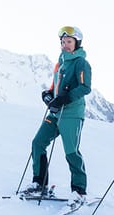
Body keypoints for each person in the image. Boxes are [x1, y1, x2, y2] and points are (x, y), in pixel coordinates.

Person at [23, 25, 92, 202]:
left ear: (77, 43)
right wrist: (48, 94)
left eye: (69, 41)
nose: (65, 45)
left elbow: (85, 87)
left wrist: (64, 99)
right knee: (38, 143)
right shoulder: (60, 63)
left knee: (71, 151)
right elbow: (56, 87)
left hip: (72, 114)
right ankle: (39, 184)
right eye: (63, 42)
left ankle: (79, 191)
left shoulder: (81, 63)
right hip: (55, 113)